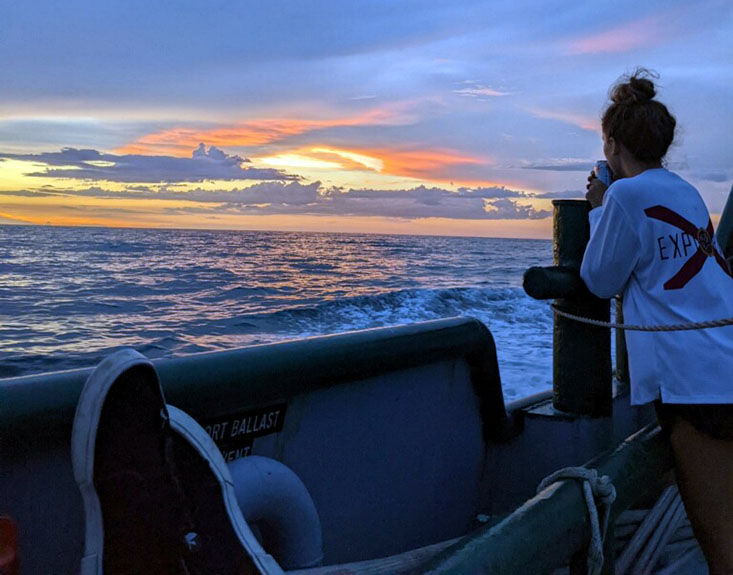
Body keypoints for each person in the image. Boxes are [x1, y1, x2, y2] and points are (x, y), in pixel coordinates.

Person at [580, 69, 733, 574]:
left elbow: (599, 279)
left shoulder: (625, 197)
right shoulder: (685, 192)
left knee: (719, 538)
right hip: (722, 359)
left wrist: (598, 209)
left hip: (692, 382)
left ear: (613, 145)